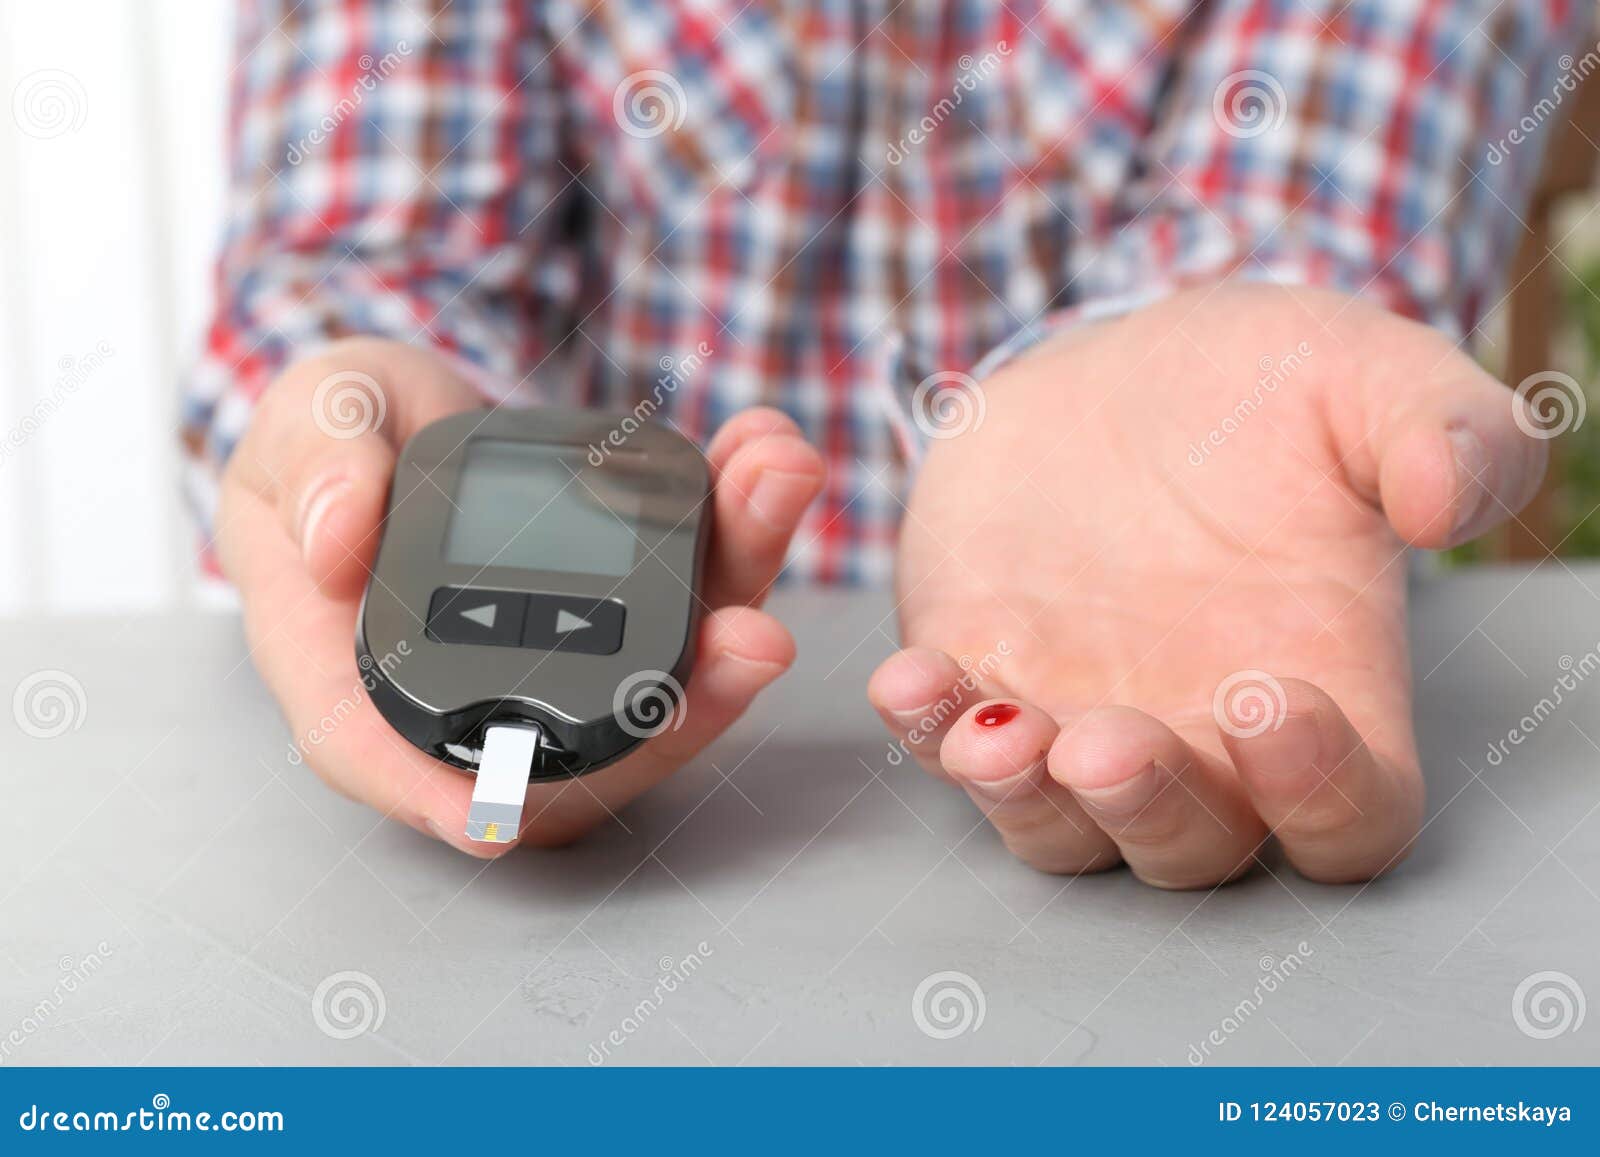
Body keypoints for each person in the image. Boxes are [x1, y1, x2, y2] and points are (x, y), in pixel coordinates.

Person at [184, 0, 1587, 887]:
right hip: (692, 831)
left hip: (1196, 675)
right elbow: (362, 260)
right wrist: (350, 404)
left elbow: (1305, 210)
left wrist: (1245, 360)